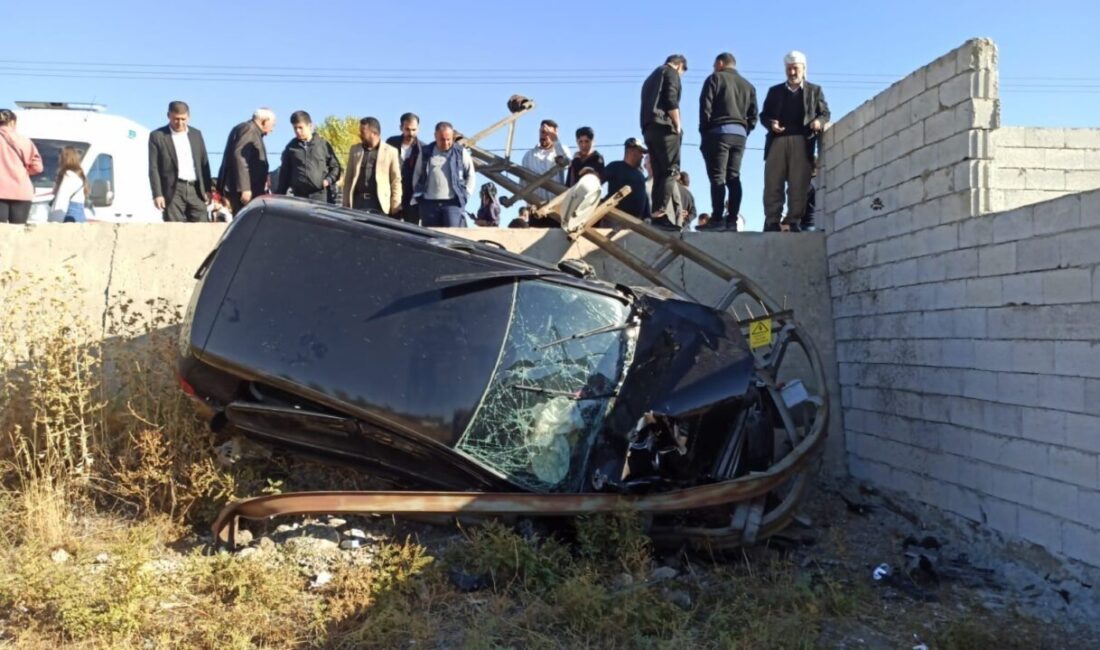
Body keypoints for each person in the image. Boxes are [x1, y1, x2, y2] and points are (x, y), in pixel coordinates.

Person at [760, 50, 830, 232]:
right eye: (789, 69)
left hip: (802, 140)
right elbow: (764, 115)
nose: (792, 72)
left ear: (803, 69)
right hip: (777, 141)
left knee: (798, 184)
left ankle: (793, 221)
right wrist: (771, 123)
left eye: (795, 68)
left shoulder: (815, 91)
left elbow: (825, 113)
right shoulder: (774, 91)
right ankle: (772, 221)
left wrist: (818, 122)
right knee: (772, 183)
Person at [698, 52, 757, 231]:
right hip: (739, 135)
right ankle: (732, 219)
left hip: (718, 133)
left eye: (714, 65)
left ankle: (716, 219)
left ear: (720, 63)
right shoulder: (748, 86)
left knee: (718, 177)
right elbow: (753, 116)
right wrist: (744, 130)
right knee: (734, 177)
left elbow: (705, 108)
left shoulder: (714, 79)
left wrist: (705, 132)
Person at [640, 54, 687, 231]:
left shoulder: (651, 77)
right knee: (671, 170)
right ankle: (660, 213)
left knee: (659, 171)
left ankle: (657, 214)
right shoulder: (671, 72)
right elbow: (671, 99)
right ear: (679, 65)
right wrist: (677, 124)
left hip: (649, 127)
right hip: (664, 126)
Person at [148, 101, 213, 222]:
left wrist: (208, 189)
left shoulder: (196, 135)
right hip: (173, 191)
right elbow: (153, 168)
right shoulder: (157, 136)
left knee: (201, 229)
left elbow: (204, 163)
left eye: (183, 119)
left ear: (188, 117)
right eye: (176, 119)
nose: (180, 123)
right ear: (168, 116)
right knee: (175, 231)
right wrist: (157, 194)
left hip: (196, 190)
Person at [411, 122, 476, 227]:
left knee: (453, 237)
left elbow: (471, 174)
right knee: (430, 238)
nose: (446, 143)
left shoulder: (461, 153)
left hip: (453, 204)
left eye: (448, 139)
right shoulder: (425, 152)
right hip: (429, 204)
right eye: (442, 139)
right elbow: (417, 174)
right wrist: (418, 194)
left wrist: (466, 194)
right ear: (435, 136)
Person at [217, 108, 275, 214]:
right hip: (244, 192)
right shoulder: (249, 129)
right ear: (264, 121)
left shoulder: (251, 130)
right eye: (272, 124)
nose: (272, 129)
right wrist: (245, 188)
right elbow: (239, 157)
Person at [275, 111, 341, 203]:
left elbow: (336, 167)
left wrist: (328, 180)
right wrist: (279, 196)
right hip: (299, 197)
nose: (298, 131)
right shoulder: (291, 148)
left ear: (310, 126)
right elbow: (284, 174)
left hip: (321, 196)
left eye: (300, 127)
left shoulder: (323, 145)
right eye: (295, 128)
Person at [342, 116, 401, 214]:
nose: (360, 134)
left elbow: (396, 180)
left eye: (363, 132)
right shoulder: (355, 150)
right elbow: (348, 178)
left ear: (374, 133)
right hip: (358, 202)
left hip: (379, 203)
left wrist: (395, 203)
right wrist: (346, 202)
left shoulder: (390, 152)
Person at [0, 108, 44, 224]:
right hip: (21, 191)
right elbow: (38, 168)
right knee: (17, 232)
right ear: (12, 122)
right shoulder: (24, 141)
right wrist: (22, 171)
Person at [385, 112, 425, 224]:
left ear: (418, 129)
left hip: (412, 198)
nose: (411, 133)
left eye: (414, 129)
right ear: (401, 128)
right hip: (392, 194)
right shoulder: (391, 143)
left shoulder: (424, 149)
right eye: (407, 129)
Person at [602, 138, 651, 223]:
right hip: (614, 220)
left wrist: (647, 216)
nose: (642, 156)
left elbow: (645, 197)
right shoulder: (615, 167)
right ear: (631, 150)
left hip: (635, 224)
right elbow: (598, 181)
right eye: (640, 152)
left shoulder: (640, 175)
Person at [520, 119, 570, 202]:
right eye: (542, 132)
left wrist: (555, 140)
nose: (544, 136)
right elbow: (523, 184)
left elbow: (568, 163)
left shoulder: (561, 150)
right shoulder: (528, 156)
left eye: (548, 133)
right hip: (536, 207)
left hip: (557, 206)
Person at [48, 147, 89, 223]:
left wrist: (54, 223)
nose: (58, 160)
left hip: (69, 218)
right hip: (77, 216)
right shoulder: (77, 174)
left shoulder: (69, 175)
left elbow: (61, 200)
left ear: (64, 158)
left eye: (60, 157)